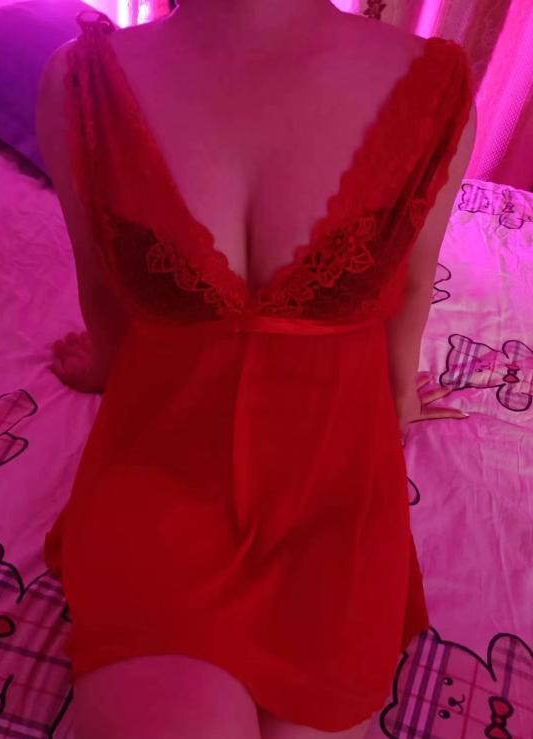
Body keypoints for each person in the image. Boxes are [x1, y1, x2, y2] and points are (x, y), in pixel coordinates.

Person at [36, 1, 477, 737]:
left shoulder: (438, 88)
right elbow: (408, 293)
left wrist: (400, 397)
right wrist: (399, 393)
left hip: (331, 501)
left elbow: (105, 297)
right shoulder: (80, 87)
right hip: (163, 490)